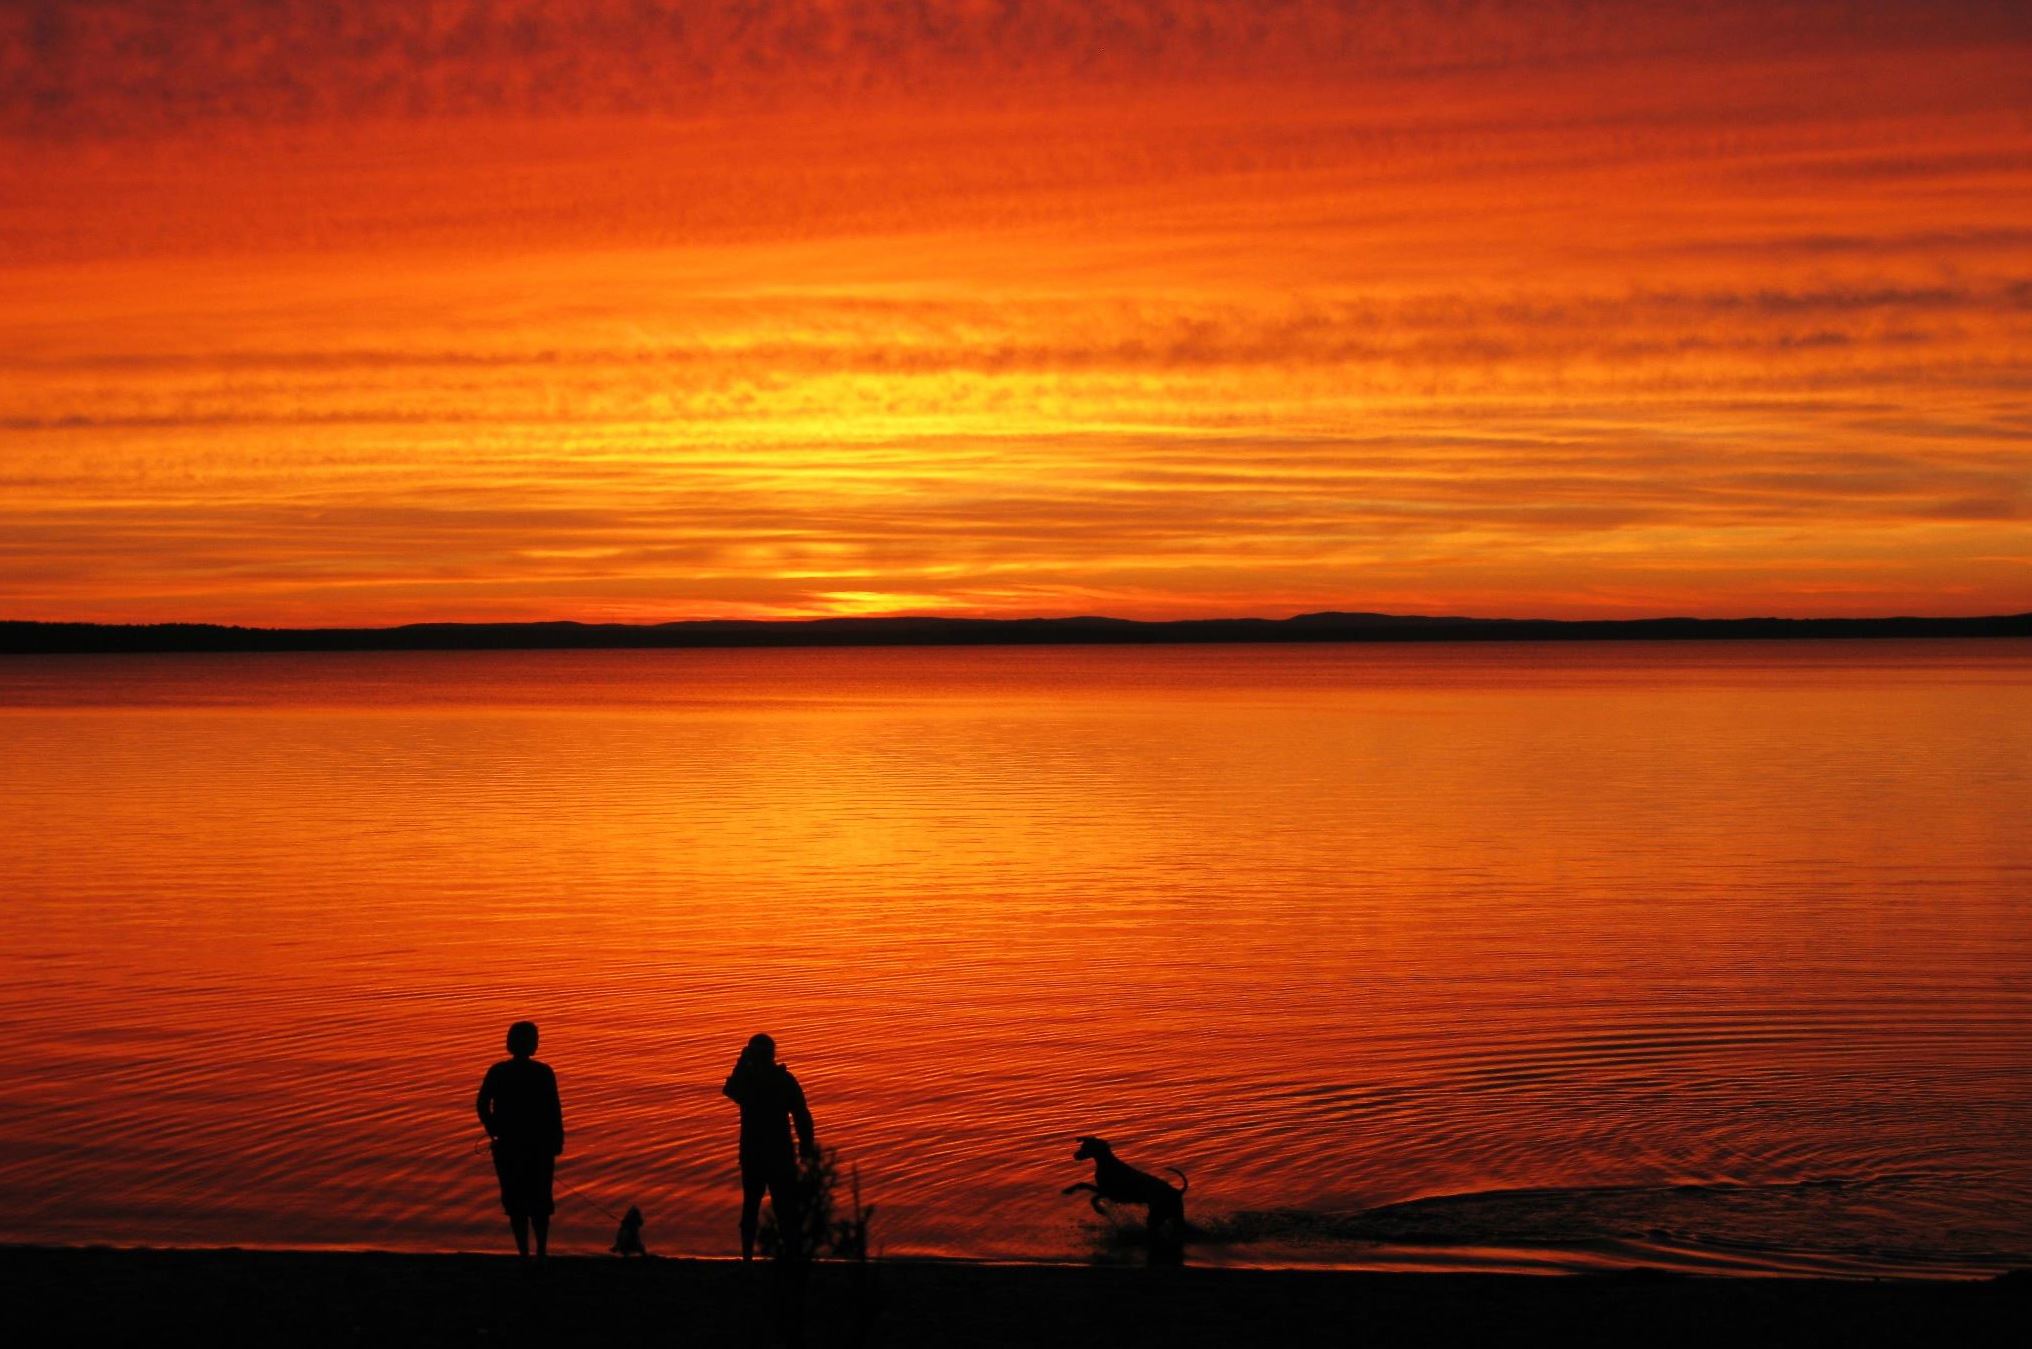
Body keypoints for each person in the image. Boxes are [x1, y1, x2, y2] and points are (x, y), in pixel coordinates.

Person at [722, 1033, 816, 1261]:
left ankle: (748, 1259)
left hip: (755, 1154)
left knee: (753, 1208)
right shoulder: (783, 1080)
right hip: (778, 1154)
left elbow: (731, 1089)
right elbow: (802, 1116)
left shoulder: (750, 1081)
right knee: (784, 1210)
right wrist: (806, 1147)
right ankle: (790, 1258)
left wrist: (741, 1062)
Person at [476, 1020, 564, 1258]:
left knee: (515, 1199)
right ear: (533, 1045)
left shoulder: (498, 1072)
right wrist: (557, 1140)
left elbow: (482, 1104)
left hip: (509, 1144)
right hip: (538, 1145)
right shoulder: (543, 1073)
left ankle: (524, 1252)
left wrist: (493, 1128)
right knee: (540, 1199)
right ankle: (541, 1251)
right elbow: (554, 1109)